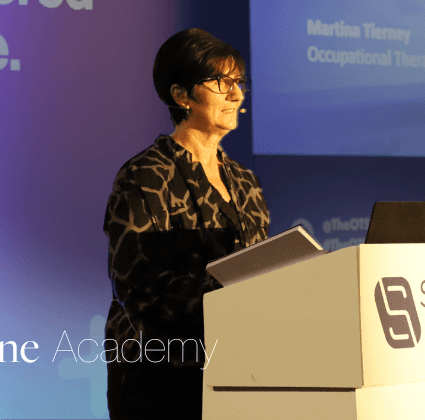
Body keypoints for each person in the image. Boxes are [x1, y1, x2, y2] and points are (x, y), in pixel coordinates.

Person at [103, 28, 270, 419]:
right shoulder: (145, 175)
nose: (236, 94)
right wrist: (229, 301)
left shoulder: (244, 181)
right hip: (161, 378)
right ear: (181, 96)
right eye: (221, 82)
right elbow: (137, 283)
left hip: (238, 367)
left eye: (238, 82)